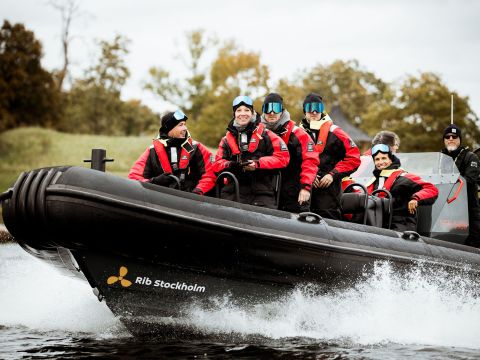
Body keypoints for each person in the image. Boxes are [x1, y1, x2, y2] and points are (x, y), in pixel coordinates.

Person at [213, 95, 290, 208]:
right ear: (234, 114)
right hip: (233, 192)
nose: (242, 113)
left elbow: (283, 158)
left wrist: (258, 164)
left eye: (246, 110)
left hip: (261, 194)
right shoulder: (226, 140)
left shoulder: (267, 135)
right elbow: (216, 164)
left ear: (252, 112)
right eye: (238, 110)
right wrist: (232, 165)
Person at [300, 92, 361, 219]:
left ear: (323, 110)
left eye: (318, 108)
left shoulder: (336, 132)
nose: (314, 111)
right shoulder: (298, 133)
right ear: (304, 111)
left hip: (328, 197)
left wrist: (332, 174)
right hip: (302, 193)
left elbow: (354, 158)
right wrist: (308, 176)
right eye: (309, 108)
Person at [128, 110, 216, 195]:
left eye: (185, 125)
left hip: (193, 201)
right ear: (169, 128)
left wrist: (197, 192)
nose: (185, 128)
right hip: (162, 200)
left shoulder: (196, 148)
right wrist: (154, 181)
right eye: (180, 125)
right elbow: (134, 177)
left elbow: (210, 175)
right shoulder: (152, 151)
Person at [260, 93, 319, 212]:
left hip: (295, 194)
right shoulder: (258, 133)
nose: (271, 113)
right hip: (266, 194)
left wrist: (306, 188)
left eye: (275, 108)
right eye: (267, 108)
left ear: (281, 110)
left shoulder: (298, 134)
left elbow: (311, 160)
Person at [367, 143, 438, 232]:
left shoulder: (404, 177)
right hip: (378, 227)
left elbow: (431, 189)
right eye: (377, 159)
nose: (380, 162)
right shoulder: (372, 182)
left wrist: (415, 199)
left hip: (401, 228)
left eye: (384, 158)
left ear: (391, 159)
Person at [440, 124, 480, 247]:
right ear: (444, 140)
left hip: (468, 208)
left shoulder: (471, 157)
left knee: (473, 242)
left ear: (459, 139)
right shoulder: (439, 159)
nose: (450, 139)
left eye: (454, 136)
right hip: (444, 209)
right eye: (447, 137)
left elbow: (469, 180)